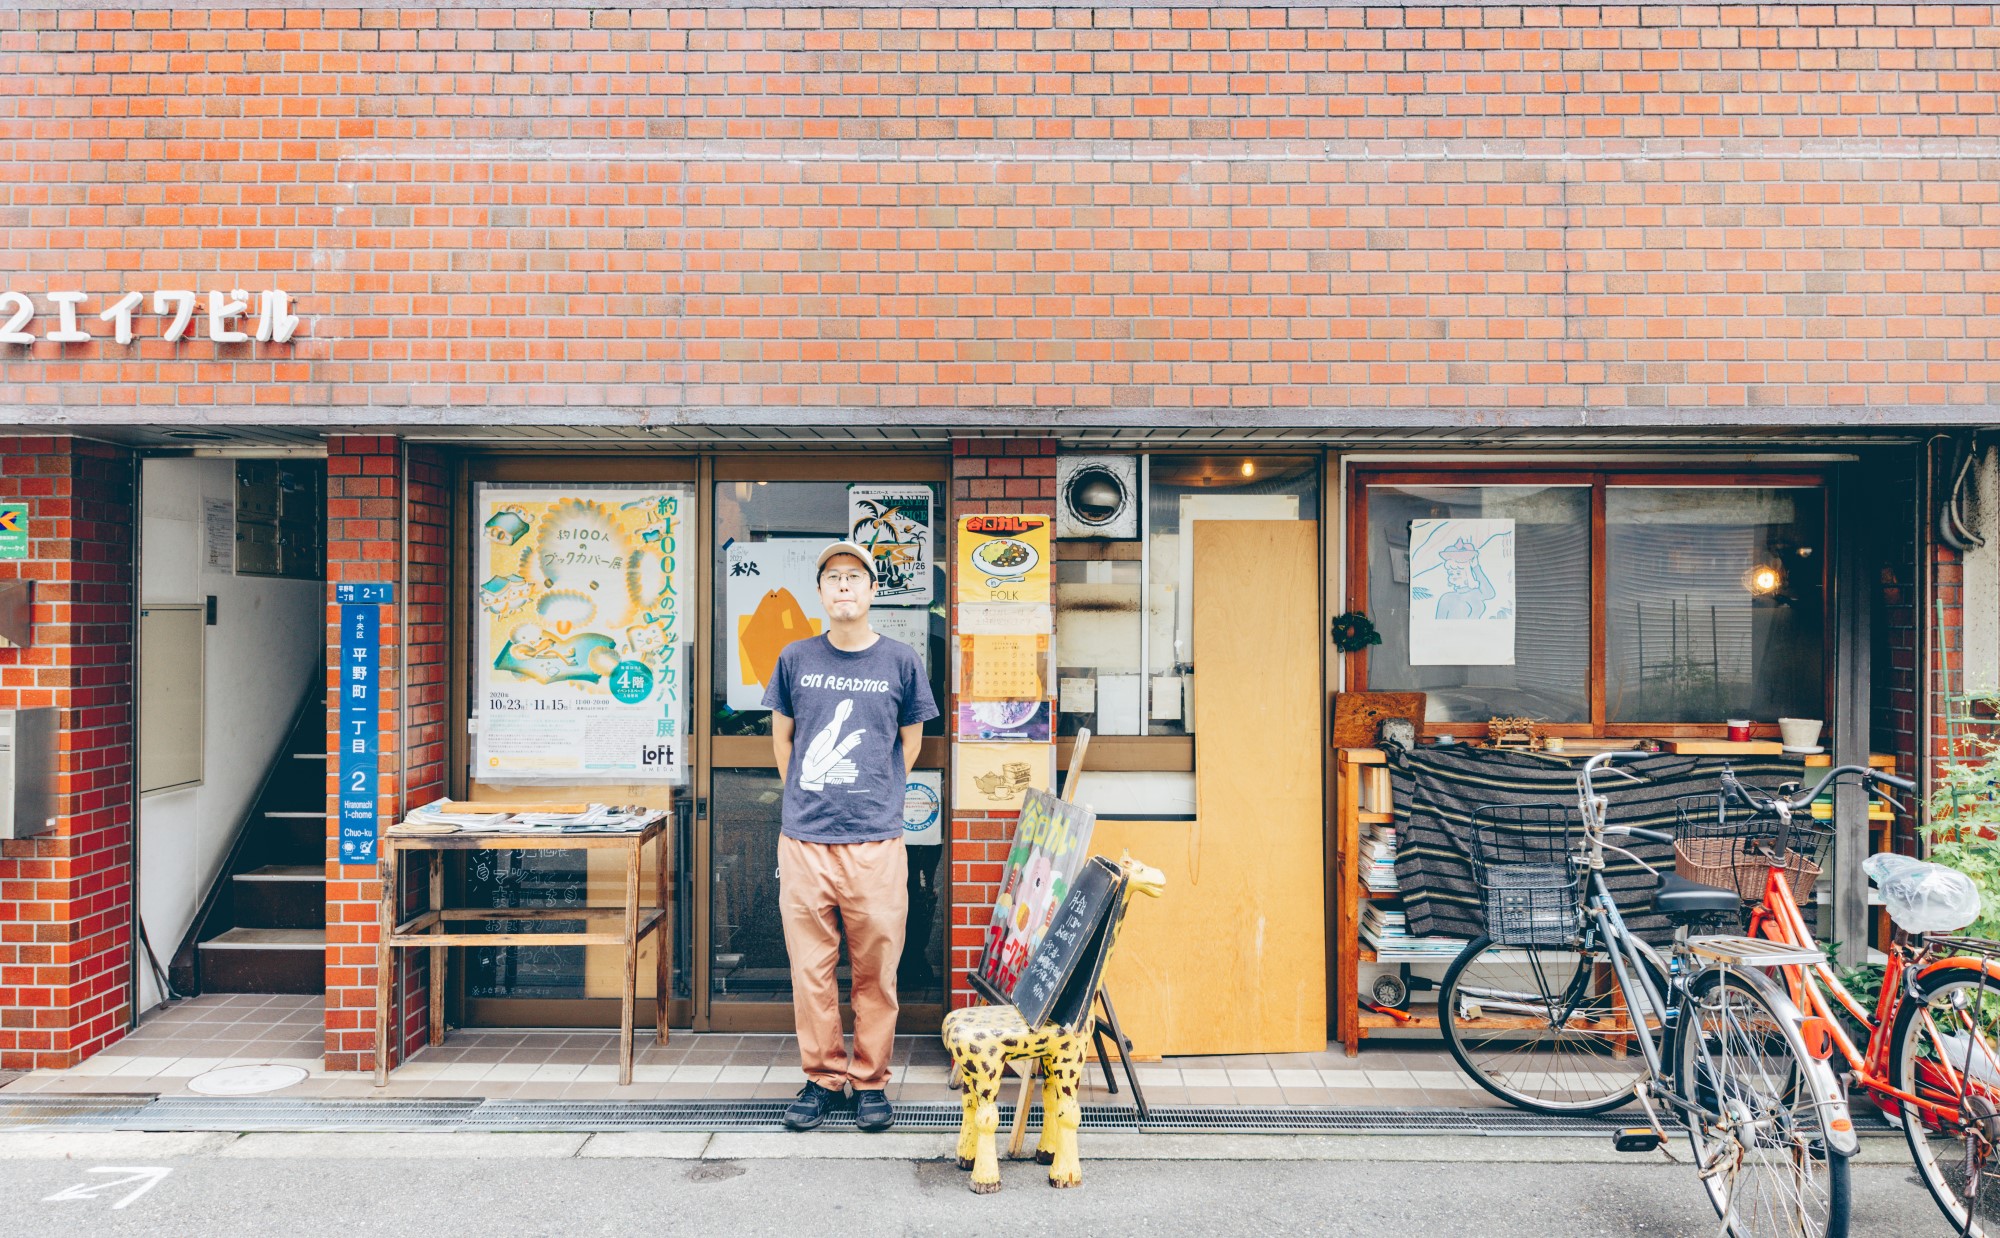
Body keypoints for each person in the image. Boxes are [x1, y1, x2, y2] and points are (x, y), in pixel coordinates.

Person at [765, 540, 939, 1132]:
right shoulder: (794, 658)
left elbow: (909, 743)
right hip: (806, 840)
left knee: (876, 969)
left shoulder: (901, 660)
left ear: (872, 591)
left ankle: (868, 1081)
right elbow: (782, 741)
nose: (844, 586)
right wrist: (808, 798)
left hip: (876, 842)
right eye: (833, 577)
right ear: (821, 592)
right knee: (811, 969)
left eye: (854, 577)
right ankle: (821, 1077)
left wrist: (878, 793)